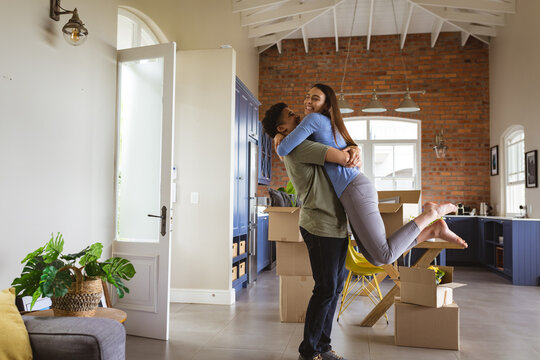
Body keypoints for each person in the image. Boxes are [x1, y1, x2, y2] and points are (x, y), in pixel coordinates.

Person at [274, 83, 467, 266]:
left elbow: (283, 150)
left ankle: (431, 214)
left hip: (354, 189)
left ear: (326, 105)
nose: (308, 101)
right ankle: (433, 229)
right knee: (375, 258)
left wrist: (277, 136)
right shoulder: (324, 124)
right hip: (353, 190)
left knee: (384, 254)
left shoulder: (313, 120)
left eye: (315, 98)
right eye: (307, 97)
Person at [262, 103, 356, 360]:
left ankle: (323, 347)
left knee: (334, 288)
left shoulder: (296, 142)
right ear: (282, 128)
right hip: (320, 224)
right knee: (326, 288)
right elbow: (344, 157)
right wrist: (353, 150)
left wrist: (354, 146)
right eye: (290, 115)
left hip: (335, 223)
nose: (297, 115)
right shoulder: (298, 146)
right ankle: (309, 352)